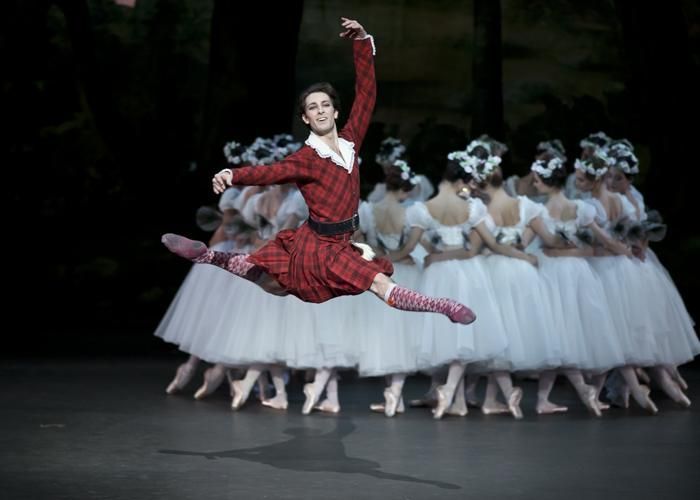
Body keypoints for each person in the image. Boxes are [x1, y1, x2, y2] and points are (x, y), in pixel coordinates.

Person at [162, 17, 476, 325]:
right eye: (313, 107)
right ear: (306, 119)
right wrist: (234, 174)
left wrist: (362, 43)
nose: (320, 110)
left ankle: (207, 257)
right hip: (319, 245)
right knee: (375, 283)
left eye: (325, 104)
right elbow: (271, 172)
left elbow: (367, 94)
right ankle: (441, 305)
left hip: (340, 242)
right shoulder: (307, 158)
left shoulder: (351, 141)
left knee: (276, 287)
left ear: (336, 111)